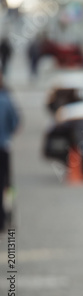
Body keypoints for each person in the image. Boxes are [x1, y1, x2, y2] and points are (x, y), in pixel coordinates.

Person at [0, 73, 20, 231]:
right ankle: (8, 215)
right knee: (7, 184)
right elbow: (15, 121)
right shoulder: (6, 99)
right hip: (3, 147)